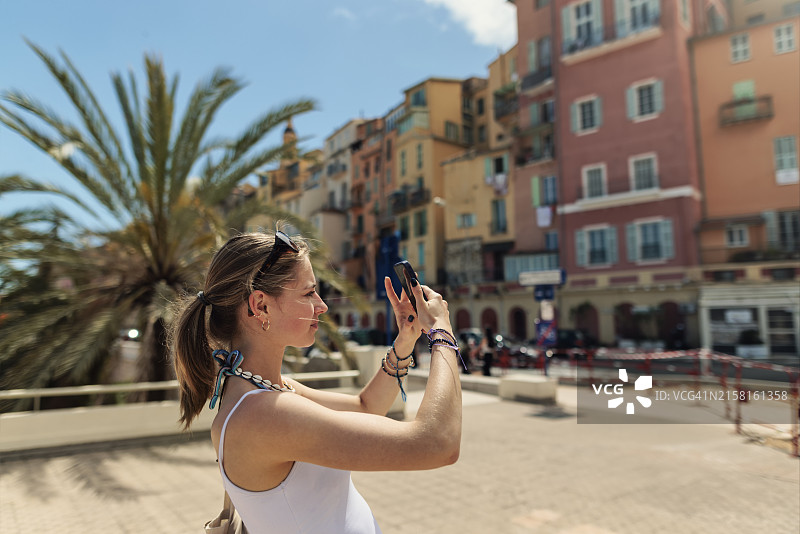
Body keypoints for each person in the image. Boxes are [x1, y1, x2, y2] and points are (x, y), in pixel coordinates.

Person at [170, 230, 462, 534]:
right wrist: (442, 332)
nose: (322, 306)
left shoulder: (271, 390)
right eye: (309, 293)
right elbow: (438, 443)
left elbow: (366, 407)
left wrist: (407, 339)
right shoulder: (264, 414)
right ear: (261, 306)